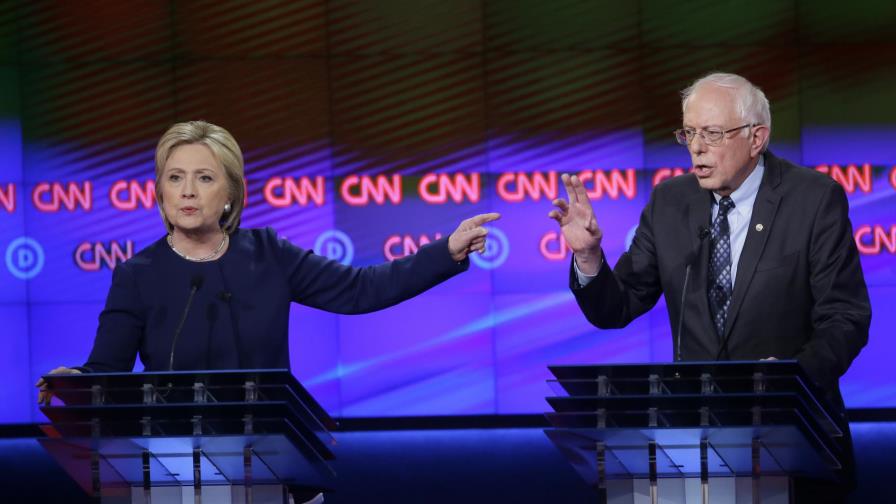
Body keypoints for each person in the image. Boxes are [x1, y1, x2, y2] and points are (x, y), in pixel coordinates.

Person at [549, 73, 870, 501]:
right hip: (689, 448)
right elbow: (617, 307)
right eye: (689, 133)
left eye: (713, 134)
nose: (696, 148)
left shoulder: (813, 199)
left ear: (757, 138)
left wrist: (792, 380)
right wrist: (588, 257)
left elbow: (846, 317)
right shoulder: (670, 202)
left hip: (790, 437)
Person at [37, 120, 499, 401]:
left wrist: (446, 252)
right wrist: (74, 382)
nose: (188, 191)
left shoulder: (267, 254)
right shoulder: (137, 275)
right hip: (173, 463)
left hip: (270, 454)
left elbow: (362, 289)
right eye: (175, 177)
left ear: (230, 193)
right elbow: (107, 374)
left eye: (204, 177)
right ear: (160, 191)